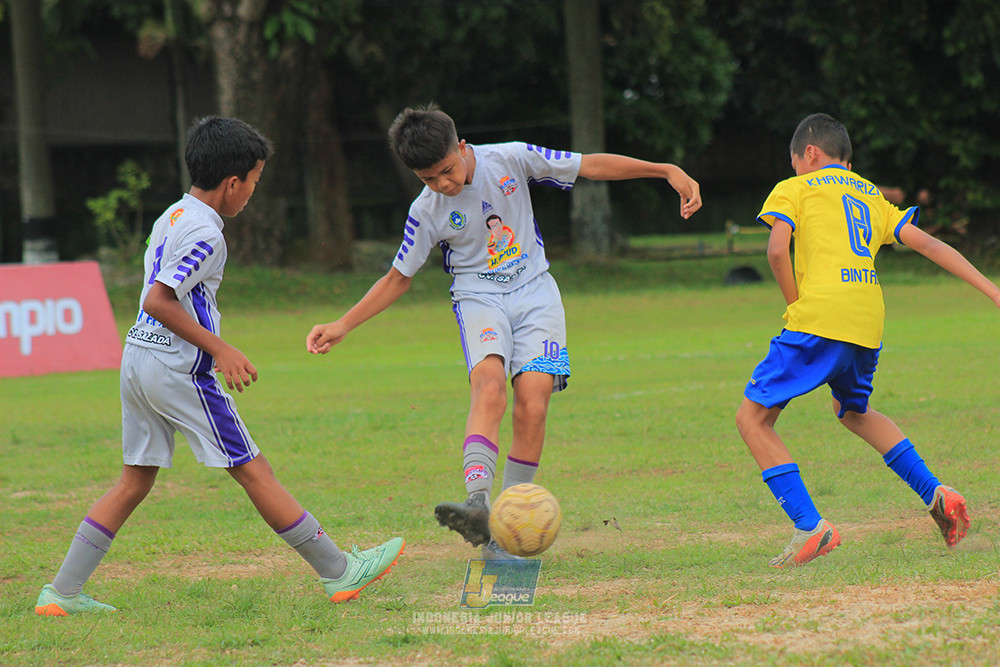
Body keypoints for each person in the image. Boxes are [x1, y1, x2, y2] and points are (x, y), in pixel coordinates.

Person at [35, 117, 404, 616]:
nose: (253, 191)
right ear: (233, 182)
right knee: (254, 470)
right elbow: (159, 299)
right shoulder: (207, 233)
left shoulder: (172, 214)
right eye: (254, 180)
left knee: (133, 481)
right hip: (177, 368)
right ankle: (338, 571)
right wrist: (222, 350)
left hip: (138, 358)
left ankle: (62, 592)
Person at [306, 104, 701, 559]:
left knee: (533, 403)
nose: (442, 184)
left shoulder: (511, 159)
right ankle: (477, 504)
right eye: (428, 178)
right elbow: (398, 277)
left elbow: (588, 164)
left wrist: (664, 169)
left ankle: (507, 523)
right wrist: (343, 324)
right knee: (489, 387)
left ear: (463, 147)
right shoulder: (427, 209)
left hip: (537, 294)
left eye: (447, 171)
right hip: (479, 300)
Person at [735, 113, 1000, 568]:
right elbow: (931, 245)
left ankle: (810, 527)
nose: (795, 167)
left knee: (753, 419)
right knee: (853, 411)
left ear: (810, 153)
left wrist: (795, 304)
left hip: (821, 318)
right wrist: (994, 291)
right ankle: (937, 492)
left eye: (795, 160)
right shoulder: (870, 194)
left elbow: (777, 250)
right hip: (867, 321)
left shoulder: (794, 188)